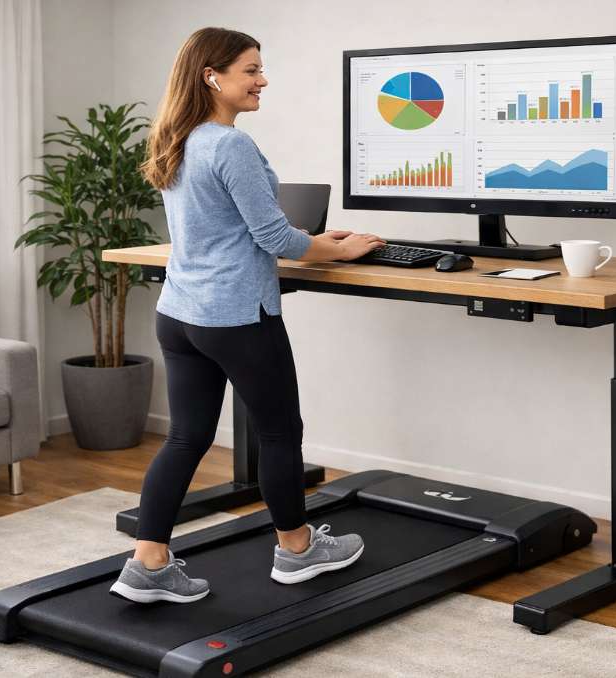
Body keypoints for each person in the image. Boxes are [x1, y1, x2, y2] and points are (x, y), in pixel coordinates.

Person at [109, 27, 385, 604]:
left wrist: (313, 240)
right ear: (213, 76)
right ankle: (298, 550)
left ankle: (148, 563)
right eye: (251, 70)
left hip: (181, 312)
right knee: (280, 432)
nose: (262, 80)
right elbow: (274, 237)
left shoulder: (177, 137)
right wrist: (339, 247)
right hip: (236, 315)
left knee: (186, 437)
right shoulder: (229, 144)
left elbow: (232, 228)